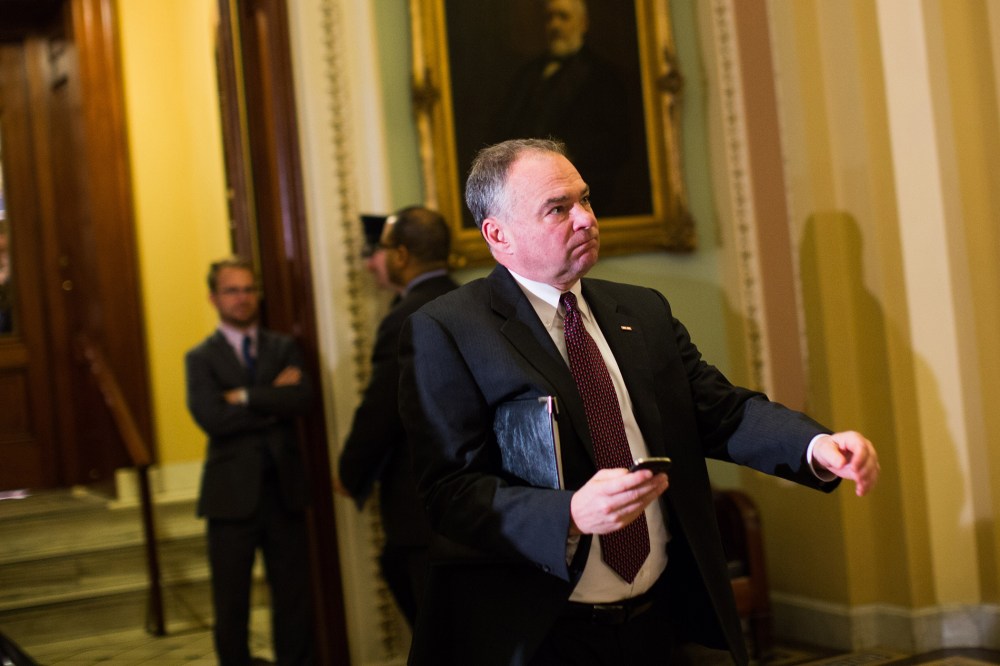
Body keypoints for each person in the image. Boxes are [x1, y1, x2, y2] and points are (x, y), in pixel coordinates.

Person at [397, 139, 880, 665]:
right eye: (558, 208)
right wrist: (569, 514)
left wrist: (817, 443)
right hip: (541, 633)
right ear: (499, 234)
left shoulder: (642, 312)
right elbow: (449, 492)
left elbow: (722, 411)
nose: (585, 219)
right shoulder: (449, 330)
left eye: (585, 200)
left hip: (662, 620)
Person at [185, 257, 315, 666]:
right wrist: (272, 398)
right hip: (230, 498)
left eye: (248, 289)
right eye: (232, 291)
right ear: (213, 298)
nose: (242, 299)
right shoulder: (201, 358)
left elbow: (302, 399)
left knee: (294, 598)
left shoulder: (283, 347)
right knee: (231, 603)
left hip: (285, 492)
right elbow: (213, 419)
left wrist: (243, 396)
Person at [337, 206, 458, 627]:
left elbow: (383, 408)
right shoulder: (471, 301)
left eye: (385, 249)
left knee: (438, 634)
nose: (380, 258)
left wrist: (350, 471)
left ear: (402, 255)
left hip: (420, 497)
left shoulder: (403, 317)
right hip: (473, 496)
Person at [490, 0, 641, 218]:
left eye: (563, 17)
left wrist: (570, 156)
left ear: (583, 23)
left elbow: (618, 142)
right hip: (528, 194)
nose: (555, 25)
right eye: (550, 17)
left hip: (582, 194)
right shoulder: (528, 75)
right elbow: (504, 127)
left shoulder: (603, 76)